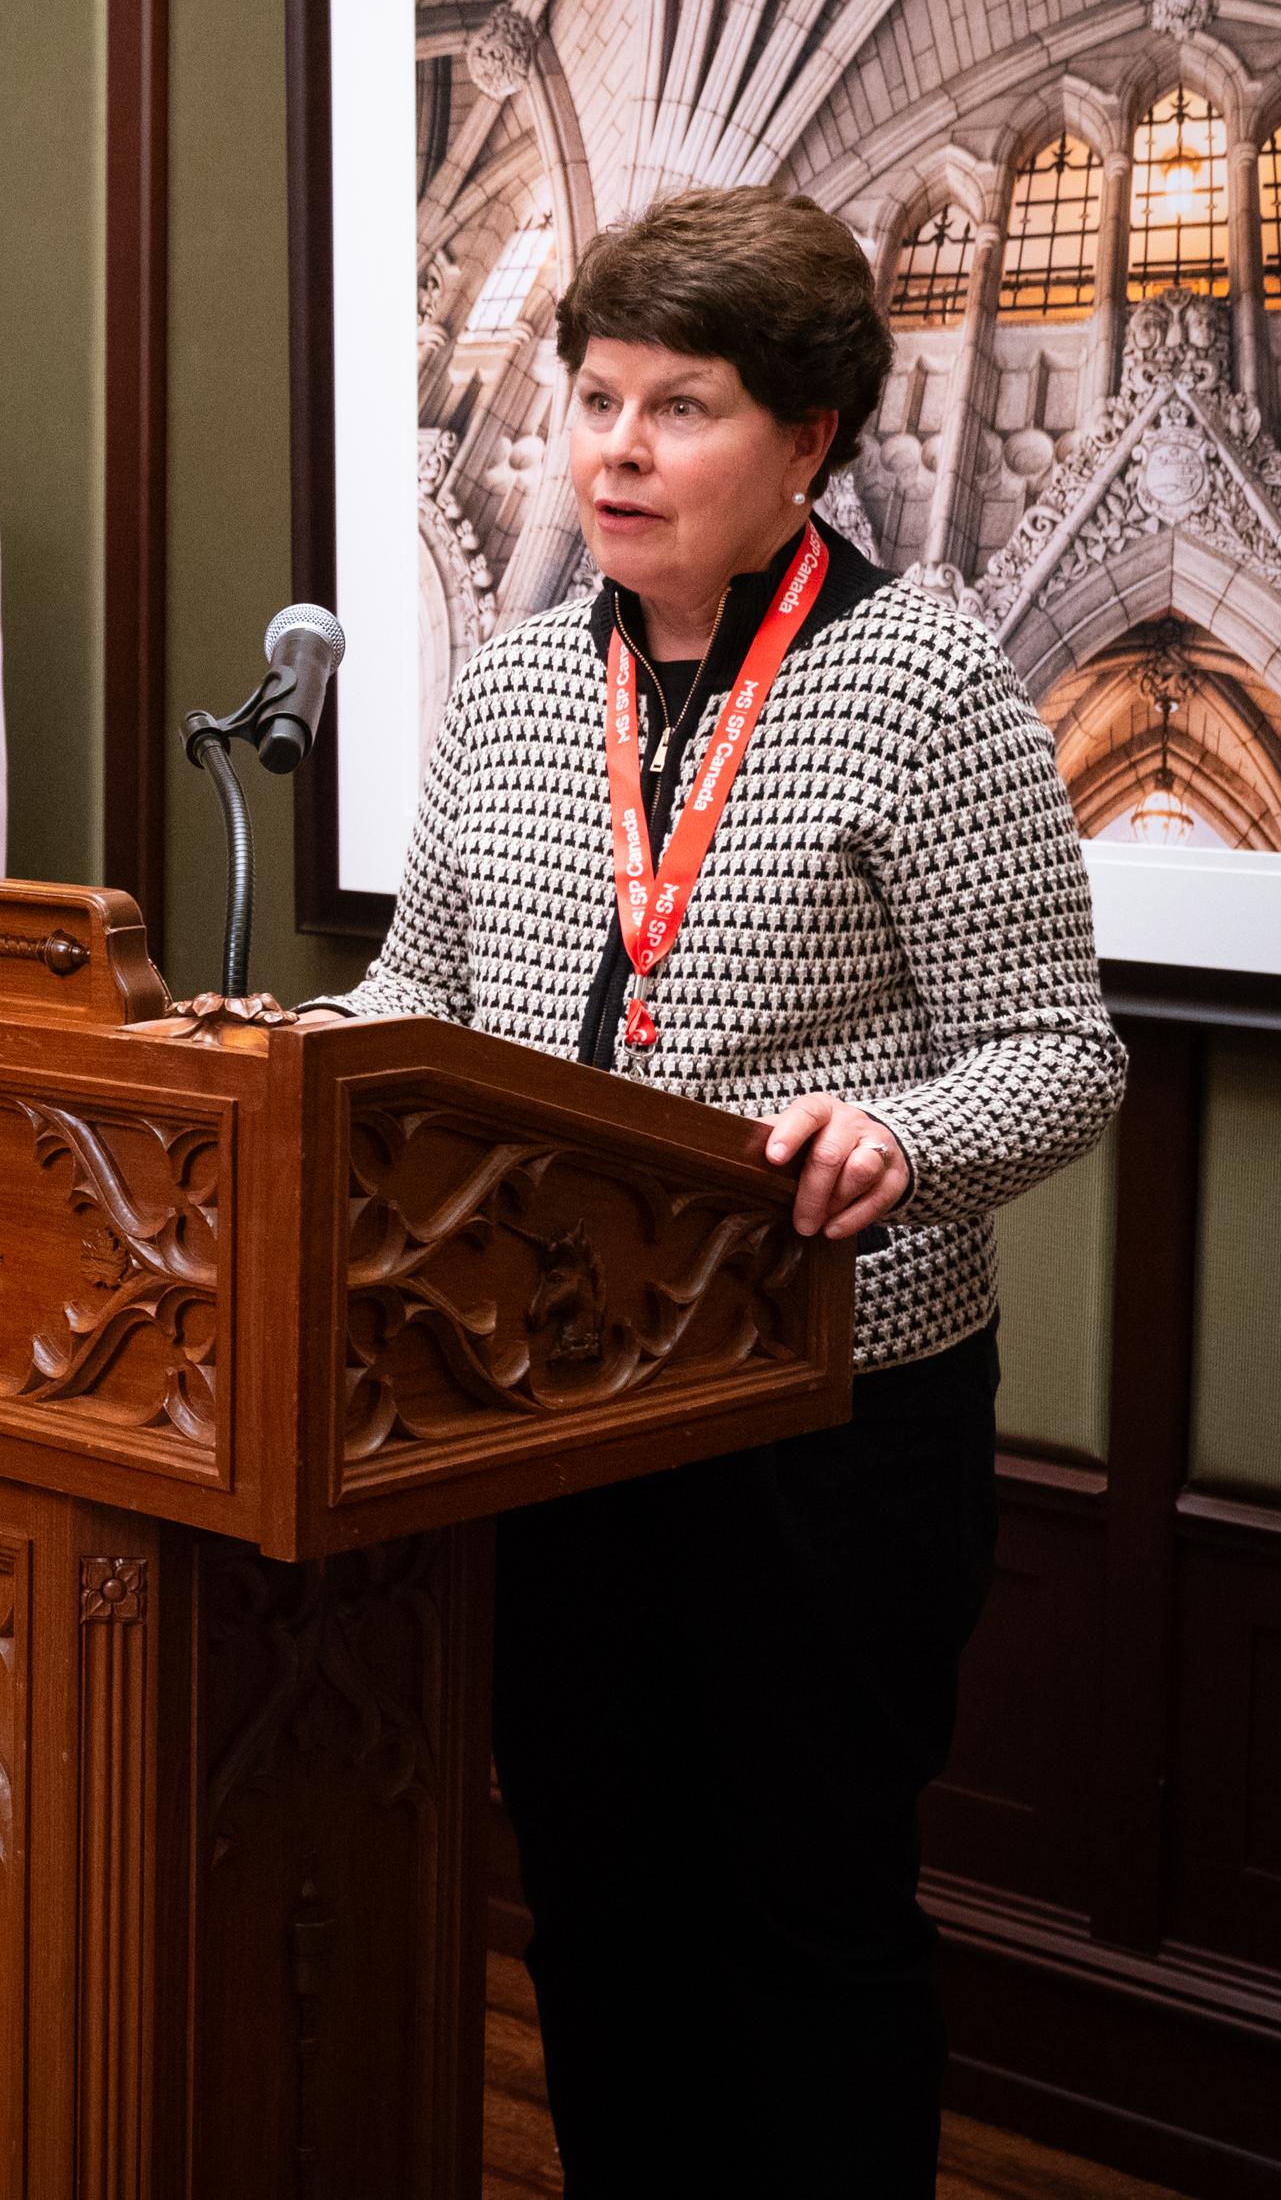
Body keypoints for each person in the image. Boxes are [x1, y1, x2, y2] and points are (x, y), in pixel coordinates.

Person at [323, 185, 1127, 2196]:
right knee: (599, 1908)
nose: (611, 445)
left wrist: (906, 1135)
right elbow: (423, 989)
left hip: (824, 1428)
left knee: (806, 1923)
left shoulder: (928, 683)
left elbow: (1061, 1048)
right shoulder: (514, 688)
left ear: (808, 441)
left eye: (677, 406)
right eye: (593, 397)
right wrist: (283, 1057)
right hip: (552, 1418)